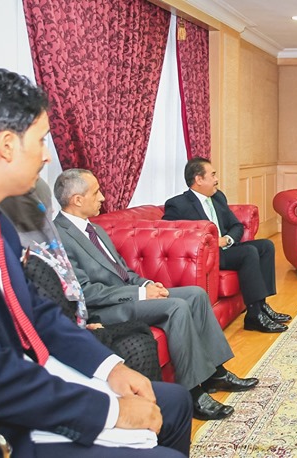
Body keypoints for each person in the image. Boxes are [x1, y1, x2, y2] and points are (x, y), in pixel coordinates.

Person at [0, 67, 190, 457]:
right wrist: (111, 412)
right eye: (41, 140)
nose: (47, 155)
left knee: (175, 402)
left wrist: (110, 367)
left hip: (24, 382)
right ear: (7, 145)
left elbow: (37, 313)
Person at [54, 168, 257, 421]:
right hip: (105, 308)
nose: (103, 198)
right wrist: (140, 293)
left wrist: (149, 284)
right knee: (176, 307)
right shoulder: (59, 236)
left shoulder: (95, 229)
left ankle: (216, 373)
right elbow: (85, 292)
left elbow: (124, 271)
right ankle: (192, 393)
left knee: (195, 294)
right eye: (96, 192)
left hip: (128, 294)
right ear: (77, 199)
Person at [0, 179, 162, 381]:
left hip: (79, 321)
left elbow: (119, 271)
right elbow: (53, 314)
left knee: (141, 333)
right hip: (62, 337)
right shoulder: (32, 258)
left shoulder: (50, 248)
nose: (51, 212)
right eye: (44, 207)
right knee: (139, 339)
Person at [163, 157, 290, 333]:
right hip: (207, 256)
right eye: (212, 175)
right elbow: (171, 236)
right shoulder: (178, 204)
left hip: (227, 249)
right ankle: (254, 315)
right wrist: (211, 242)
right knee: (248, 252)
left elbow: (236, 225)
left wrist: (228, 239)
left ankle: (262, 306)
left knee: (266, 246)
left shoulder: (218, 197)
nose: (216, 179)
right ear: (199, 179)